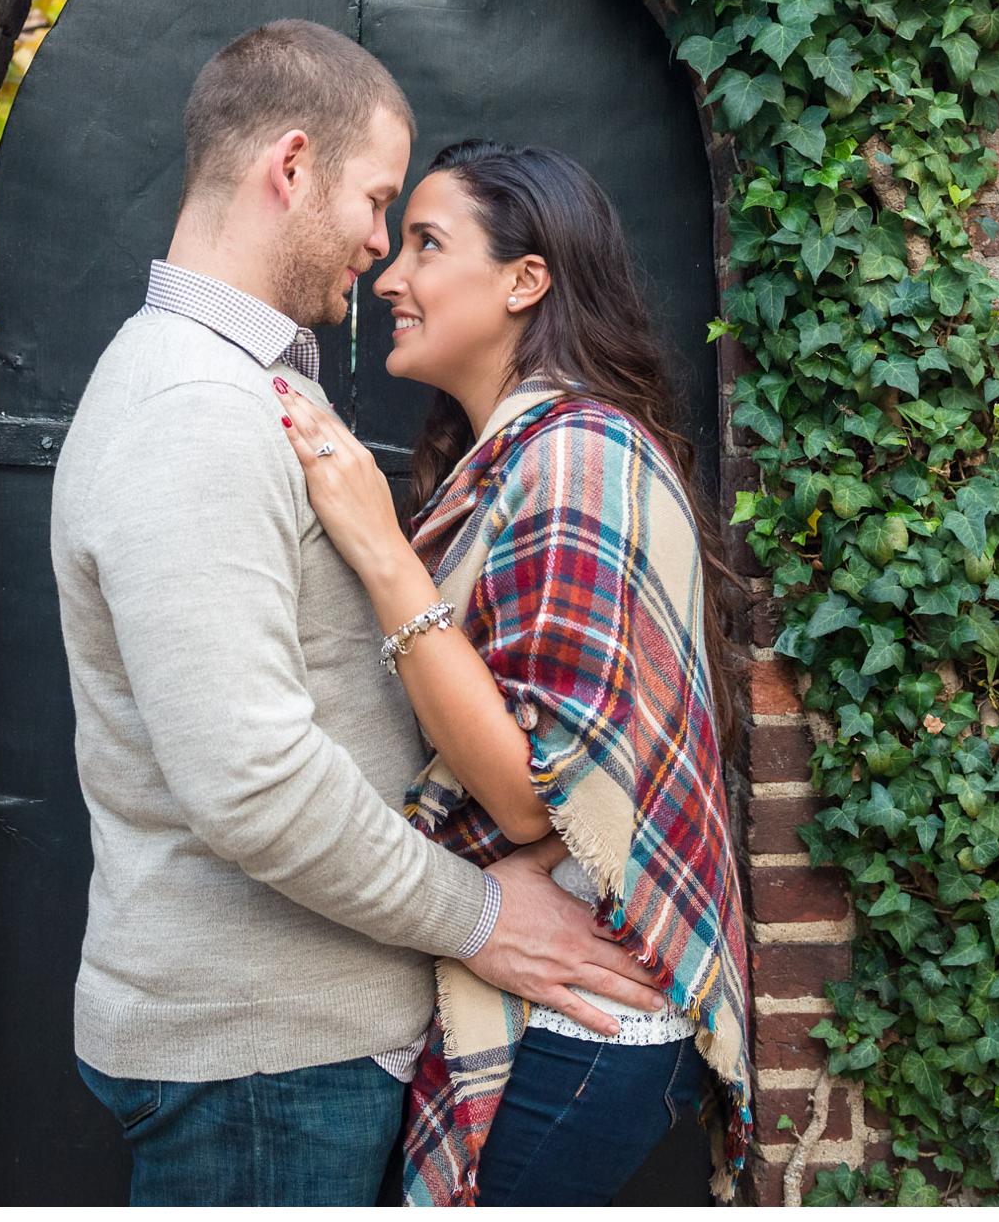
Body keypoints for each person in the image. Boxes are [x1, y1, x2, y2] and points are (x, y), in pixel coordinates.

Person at [51, 23, 668, 1206]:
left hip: (292, 1050)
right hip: (261, 1061)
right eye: (380, 201)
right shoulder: (192, 406)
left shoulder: (246, 389)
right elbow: (252, 777)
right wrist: (482, 916)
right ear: (291, 169)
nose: (382, 248)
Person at [270, 138, 754, 1205]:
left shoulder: (579, 456)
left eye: (428, 244)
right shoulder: (518, 458)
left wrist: (384, 553)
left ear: (526, 280)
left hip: (585, 1022)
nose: (390, 276)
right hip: (555, 1010)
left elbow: (534, 800)